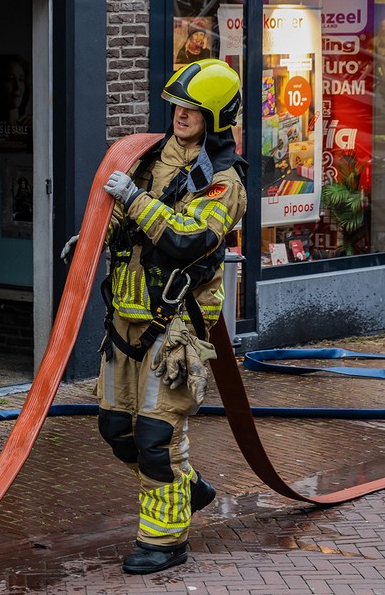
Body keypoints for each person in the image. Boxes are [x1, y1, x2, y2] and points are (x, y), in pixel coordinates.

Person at [61, 59, 247, 574]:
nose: (181, 114)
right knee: (115, 427)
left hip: (176, 328)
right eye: (177, 106)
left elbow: (189, 239)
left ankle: (164, 542)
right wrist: (94, 237)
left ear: (215, 115)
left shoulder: (224, 181)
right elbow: (121, 215)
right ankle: (188, 489)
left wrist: (137, 201)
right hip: (124, 320)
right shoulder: (147, 157)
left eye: (192, 108)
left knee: (157, 440)